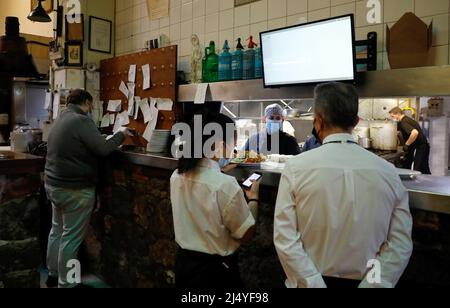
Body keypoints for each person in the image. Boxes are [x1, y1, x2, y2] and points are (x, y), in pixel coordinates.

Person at [274, 82, 413, 288]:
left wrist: (313, 284)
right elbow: (400, 243)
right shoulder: (388, 171)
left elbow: (285, 237)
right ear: (356, 121)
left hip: (311, 282)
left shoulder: (296, 168)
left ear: (318, 121)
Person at [45, 89, 131, 288]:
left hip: (54, 186)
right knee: (71, 237)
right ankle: (68, 284)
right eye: (91, 105)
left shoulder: (61, 118)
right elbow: (103, 149)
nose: (91, 109)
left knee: (56, 231)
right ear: (86, 102)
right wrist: (121, 135)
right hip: (74, 189)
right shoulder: (81, 120)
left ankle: (52, 274)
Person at [171, 113, 260, 288]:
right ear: (218, 145)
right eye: (233, 140)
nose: (234, 147)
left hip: (184, 266)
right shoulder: (225, 186)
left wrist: (222, 169)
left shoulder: (177, 176)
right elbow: (246, 233)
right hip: (216, 274)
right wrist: (253, 198)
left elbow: (205, 179)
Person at [389, 107, 431, 174]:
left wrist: (407, 144)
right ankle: (429, 183)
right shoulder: (408, 120)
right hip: (424, 146)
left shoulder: (403, 122)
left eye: (392, 116)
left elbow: (414, 132)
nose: (392, 118)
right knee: (424, 168)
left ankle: (415, 184)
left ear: (398, 114)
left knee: (415, 170)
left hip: (418, 148)